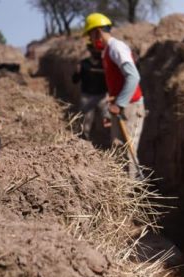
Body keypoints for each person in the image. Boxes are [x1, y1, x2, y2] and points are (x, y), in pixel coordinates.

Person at [83, 12, 146, 179]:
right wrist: (109, 111)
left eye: (91, 35)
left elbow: (133, 77)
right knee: (118, 149)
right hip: (121, 106)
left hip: (131, 106)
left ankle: (132, 195)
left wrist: (120, 104)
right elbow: (115, 86)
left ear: (97, 32)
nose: (91, 40)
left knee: (127, 154)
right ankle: (124, 193)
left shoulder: (117, 48)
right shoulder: (107, 51)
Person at [72, 42, 108, 142]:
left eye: (100, 50)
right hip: (87, 97)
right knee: (85, 123)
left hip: (103, 97)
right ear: (91, 50)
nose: (98, 52)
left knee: (108, 120)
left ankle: (107, 144)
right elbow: (75, 80)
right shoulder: (84, 64)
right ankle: (84, 143)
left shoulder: (105, 63)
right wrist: (77, 72)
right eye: (96, 49)